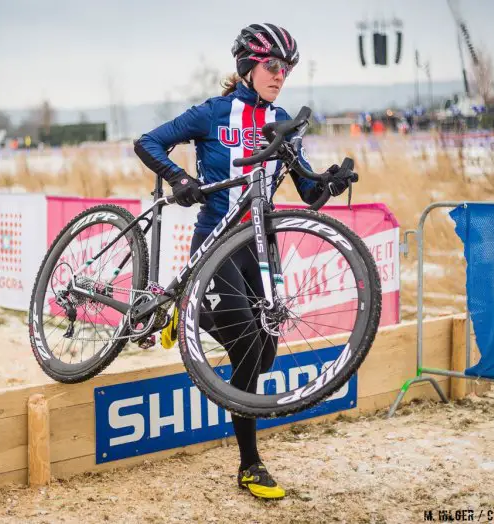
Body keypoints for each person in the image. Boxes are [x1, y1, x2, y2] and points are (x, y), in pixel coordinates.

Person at [133, 23, 349, 500]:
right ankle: (250, 466)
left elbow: (307, 192)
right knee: (249, 344)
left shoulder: (282, 119)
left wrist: (329, 183)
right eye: (272, 65)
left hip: (258, 252)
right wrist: (178, 177)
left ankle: (185, 312)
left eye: (286, 68)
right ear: (247, 67)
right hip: (215, 245)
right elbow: (146, 141)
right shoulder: (212, 113)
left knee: (264, 353)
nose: (280, 75)